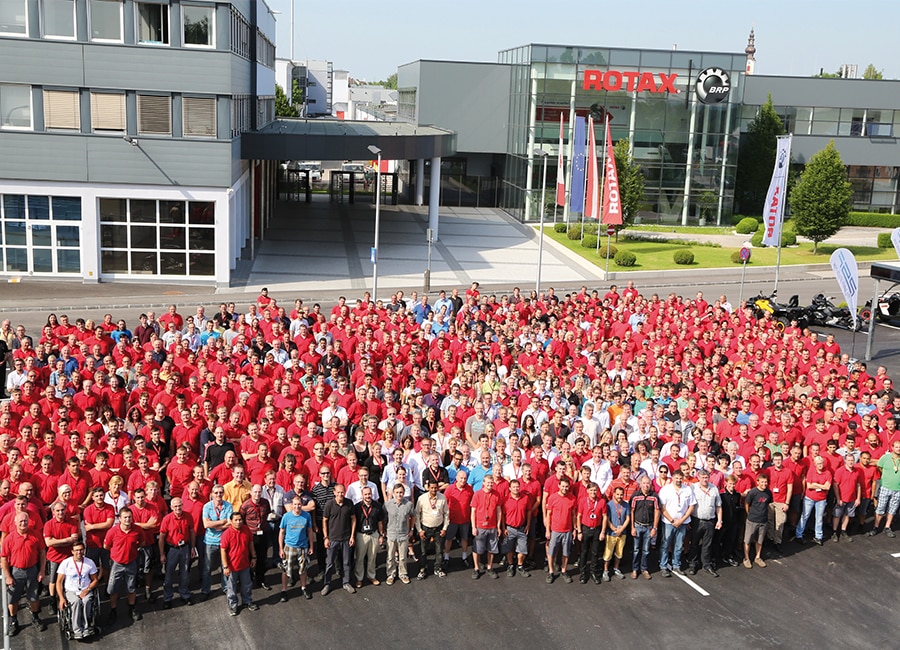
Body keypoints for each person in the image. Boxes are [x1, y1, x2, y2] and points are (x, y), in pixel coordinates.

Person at [1, 512, 47, 635]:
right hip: (16, 572)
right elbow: (4, 558)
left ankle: (35, 618)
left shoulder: (36, 535)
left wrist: (42, 571)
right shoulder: (9, 538)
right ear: (15, 522)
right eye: (20, 521)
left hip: (33, 570)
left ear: (28, 521)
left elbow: (42, 553)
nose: (23, 523)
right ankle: (14, 621)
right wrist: (8, 576)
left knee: (34, 597)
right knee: (13, 599)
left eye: (25, 521)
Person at [103, 508, 142, 624]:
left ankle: (131, 607)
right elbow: (106, 546)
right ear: (119, 519)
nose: (127, 519)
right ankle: (113, 610)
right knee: (113, 588)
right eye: (125, 517)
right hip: (117, 564)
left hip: (131, 563)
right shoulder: (112, 532)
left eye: (129, 517)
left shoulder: (137, 530)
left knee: (131, 587)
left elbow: (142, 542)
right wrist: (117, 554)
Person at [56, 540, 100, 640]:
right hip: (71, 590)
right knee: (75, 602)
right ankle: (77, 630)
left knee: (86, 601)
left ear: (84, 551)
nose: (79, 552)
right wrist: (62, 598)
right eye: (76, 550)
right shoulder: (66, 563)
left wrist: (87, 590)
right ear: (72, 551)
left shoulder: (89, 563)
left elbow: (95, 580)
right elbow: (58, 582)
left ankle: (86, 628)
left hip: (85, 588)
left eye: (81, 550)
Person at [158, 497, 195, 608]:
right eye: (175, 506)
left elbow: (192, 532)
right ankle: (167, 597)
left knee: (185, 573)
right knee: (169, 575)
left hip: (184, 548)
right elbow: (162, 537)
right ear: (171, 507)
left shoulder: (188, 516)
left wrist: (193, 547)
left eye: (179, 505)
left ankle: (184, 594)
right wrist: (162, 553)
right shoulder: (167, 519)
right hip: (172, 549)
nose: (178, 508)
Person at [658, 470, 696, 577]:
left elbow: (691, 506)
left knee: (679, 545)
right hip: (668, 522)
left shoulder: (687, 489)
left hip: (682, 522)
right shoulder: (665, 490)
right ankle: (663, 565)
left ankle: (676, 565)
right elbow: (662, 507)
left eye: (680, 478)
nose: (678, 480)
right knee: (665, 544)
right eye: (676, 478)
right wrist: (671, 520)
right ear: (672, 478)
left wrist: (682, 520)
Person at [219, 512, 259, 616]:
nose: (238, 522)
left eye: (240, 520)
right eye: (236, 520)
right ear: (231, 521)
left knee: (247, 585)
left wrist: (254, 557)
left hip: (245, 564)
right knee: (231, 588)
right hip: (232, 567)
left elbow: (250, 544)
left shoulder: (246, 530)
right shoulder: (226, 534)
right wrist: (225, 567)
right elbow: (223, 551)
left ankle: (247, 601)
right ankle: (233, 606)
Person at [320, 483, 356, 595]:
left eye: (342, 492)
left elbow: (353, 519)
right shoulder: (329, 504)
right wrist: (326, 537)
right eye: (338, 492)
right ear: (334, 492)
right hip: (332, 539)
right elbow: (324, 520)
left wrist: (352, 536)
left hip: (346, 538)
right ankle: (327, 584)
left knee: (346, 562)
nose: (340, 494)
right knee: (329, 563)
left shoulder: (349, 503)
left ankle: (346, 582)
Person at [279, 495, 315, 602]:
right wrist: (281, 549)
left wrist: (311, 546)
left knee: (303, 569)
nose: (297, 506)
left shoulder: (306, 516)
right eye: (295, 504)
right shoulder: (286, 516)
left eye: (299, 504)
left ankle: (304, 587)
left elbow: (309, 531)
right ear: (292, 505)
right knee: (286, 569)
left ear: (302, 505)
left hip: (303, 547)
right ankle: (284, 590)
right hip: (289, 547)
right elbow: (281, 533)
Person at [201, 485, 233, 599]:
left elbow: (230, 523)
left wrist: (215, 523)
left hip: (224, 541)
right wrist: (222, 522)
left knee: (225, 565)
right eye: (216, 492)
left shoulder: (228, 506)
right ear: (212, 494)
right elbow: (206, 524)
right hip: (210, 542)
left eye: (220, 492)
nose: (218, 495)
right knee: (207, 568)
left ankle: (225, 587)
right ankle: (205, 590)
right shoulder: (206, 507)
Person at [688, 469, 722, 577]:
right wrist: (687, 520)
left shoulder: (714, 488)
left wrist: (719, 520)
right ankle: (693, 564)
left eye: (706, 477)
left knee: (707, 544)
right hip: (696, 520)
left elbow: (718, 506)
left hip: (710, 521)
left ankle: (706, 564)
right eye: (702, 477)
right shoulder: (693, 488)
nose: (704, 479)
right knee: (694, 543)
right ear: (698, 477)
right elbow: (689, 505)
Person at [544, 476, 576, 584]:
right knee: (551, 552)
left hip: (567, 530)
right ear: (559, 486)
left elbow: (573, 515)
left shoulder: (572, 498)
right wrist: (548, 530)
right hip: (555, 530)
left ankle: (563, 570)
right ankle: (551, 571)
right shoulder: (552, 498)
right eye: (562, 486)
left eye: (567, 486)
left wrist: (575, 529)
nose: (565, 488)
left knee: (566, 552)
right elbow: (549, 514)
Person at [414, 478, 449, 579]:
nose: (434, 490)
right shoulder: (422, 498)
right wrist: (419, 530)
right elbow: (417, 514)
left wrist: (445, 528)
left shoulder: (442, 498)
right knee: (423, 551)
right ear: (428, 488)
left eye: (436, 488)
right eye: (432, 488)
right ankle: (422, 569)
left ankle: (438, 568)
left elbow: (446, 513)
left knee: (439, 550)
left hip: (438, 528)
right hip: (425, 528)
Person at [240, 484, 272, 590]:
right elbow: (242, 520)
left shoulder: (265, 503)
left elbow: (266, 514)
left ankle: (261, 580)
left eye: (259, 492)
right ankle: (249, 580)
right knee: (249, 558)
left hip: (263, 534)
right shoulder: (245, 506)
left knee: (262, 558)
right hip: (251, 536)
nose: (257, 494)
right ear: (251, 492)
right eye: (255, 492)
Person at [471, 474, 503, 580]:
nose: (490, 485)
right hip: (480, 526)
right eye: (488, 483)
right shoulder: (477, 494)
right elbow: (473, 511)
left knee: (492, 549)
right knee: (477, 549)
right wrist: (473, 527)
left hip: (492, 526)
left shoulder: (496, 494)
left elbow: (499, 511)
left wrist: (498, 526)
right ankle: (476, 568)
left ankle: (490, 567)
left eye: (491, 483)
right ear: (483, 483)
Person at [795, 454, 832, 545]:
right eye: (818, 463)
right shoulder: (811, 471)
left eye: (821, 463)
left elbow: (827, 487)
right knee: (805, 516)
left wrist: (816, 484)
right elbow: (809, 485)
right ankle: (799, 534)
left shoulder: (828, 473)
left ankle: (818, 536)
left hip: (821, 499)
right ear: (815, 464)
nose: (820, 465)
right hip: (809, 498)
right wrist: (821, 486)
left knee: (819, 518)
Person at [384, 483, 415, 585]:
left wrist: (411, 529)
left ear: (404, 493)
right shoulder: (387, 505)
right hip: (391, 533)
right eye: (397, 492)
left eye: (401, 492)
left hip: (403, 534)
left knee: (402, 557)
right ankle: (390, 574)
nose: (399, 495)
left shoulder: (408, 504)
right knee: (390, 556)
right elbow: (383, 518)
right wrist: (383, 531)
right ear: (393, 493)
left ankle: (403, 574)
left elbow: (413, 516)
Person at [353, 486, 384, 588]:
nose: (368, 496)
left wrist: (381, 535)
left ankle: (371, 576)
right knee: (360, 558)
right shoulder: (357, 507)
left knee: (372, 557)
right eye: (365, 494)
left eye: (369, 494)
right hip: (361, 535)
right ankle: (359, 578)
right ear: (362, 495)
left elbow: (380, 521)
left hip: (374, 534)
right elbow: (354, 522)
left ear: (372, 494)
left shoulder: (377, 506)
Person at [629, 476, 660, 580]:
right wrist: (632, 527)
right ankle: (634, 569)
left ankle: (644, 569)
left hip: (648, 527)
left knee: (646, 550)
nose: (646, 485)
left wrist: (654, 528)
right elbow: (632, 511)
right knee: (635, 550)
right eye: (644, 483)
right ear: (640, 484)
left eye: (648, 483)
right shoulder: (635, 496)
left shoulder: (654, 497)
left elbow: (657, 512)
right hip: (637, 525)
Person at [576, 481, 606, 584]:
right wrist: (579, 531)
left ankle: (593, 572)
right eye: (591, 490)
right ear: (587, 491)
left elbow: (605, 517)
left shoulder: (601, 501)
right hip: (585, 529)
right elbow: (579, 516)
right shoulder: (583, 501)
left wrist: (603, 531)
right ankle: (583, 573)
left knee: (595, 552)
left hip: (597, 529)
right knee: (584, 552)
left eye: (595, 490)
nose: (593, 492)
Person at [502, 478, 532, 578]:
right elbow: (502, 515)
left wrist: (528, 525)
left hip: (522, 528)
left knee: (522, 550)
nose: (516, 489)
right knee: (509, 549)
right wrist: (503, 528)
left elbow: (528, 511)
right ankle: (510, 565)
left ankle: (520, 566)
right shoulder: (505, 500)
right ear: (509, 488)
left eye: (517, 487)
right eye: (513, 487)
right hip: (509, 528)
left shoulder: (525, 498)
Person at [869, 439, 900, 537]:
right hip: (885, 487)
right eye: (897, 447)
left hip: (898, 489)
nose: (899, 449)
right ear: (892, 448)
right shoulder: (886, 457)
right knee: (880, 508)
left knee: (892, 509)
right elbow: (879, 467)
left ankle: (887, 527)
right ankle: (876, 527)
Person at [602, 485, 631, 581]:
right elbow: (607, 519)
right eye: (617, 494)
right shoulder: (609, 505)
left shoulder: (626, 505)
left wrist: (621, 529)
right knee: (608, 552)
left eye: (621, 494)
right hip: (611, 533)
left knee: (619, 552)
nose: (619, 496)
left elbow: (628, 518)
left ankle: (616, 568)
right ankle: (605, 570)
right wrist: (614, 529)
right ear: (614, 494)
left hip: (622, 533)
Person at [744, 474, 773, 568]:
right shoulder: (753, 492)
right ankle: (746, 558)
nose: (764, 484)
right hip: (752, 520)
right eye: (762, 482)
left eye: (766, 482)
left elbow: (768, 504)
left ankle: (758, 557)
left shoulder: (768, 493)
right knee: (748, 540)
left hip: (763, 520)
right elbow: (747, 503)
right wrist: (749, 514)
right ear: (758, 482)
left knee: (760, 540)